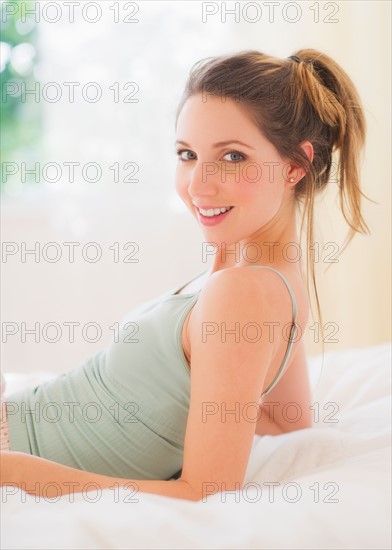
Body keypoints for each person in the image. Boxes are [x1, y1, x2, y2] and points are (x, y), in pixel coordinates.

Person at [0, 49, 370, 502]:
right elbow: (282, 423)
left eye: (233, 156)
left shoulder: (245, 291)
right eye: (187, 154)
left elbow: (202, 492)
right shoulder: (260, 278)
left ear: (296, 165)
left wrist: (14, 472)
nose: (198, 184)